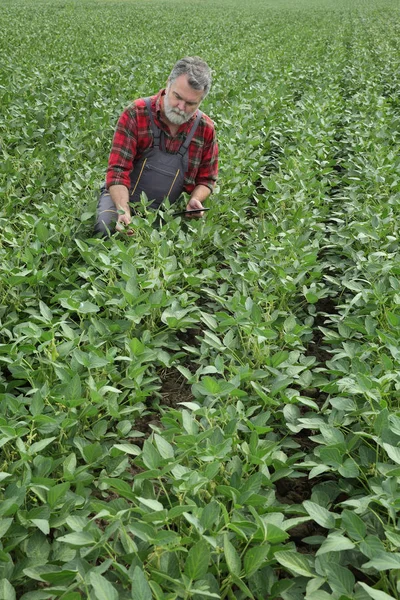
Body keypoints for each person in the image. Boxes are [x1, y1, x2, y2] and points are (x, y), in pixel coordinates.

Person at [95, 56, 218, 237]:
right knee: (106, 229)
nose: (181, 107)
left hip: (166, 211)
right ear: (168, 84)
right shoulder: (136, 113)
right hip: (122, 198)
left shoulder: (205, 129)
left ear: (201, 101)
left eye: (191, 103)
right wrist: (123, 212)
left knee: (174, 243)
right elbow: (118, 171)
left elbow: (207, 179)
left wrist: (195, 200)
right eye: (177, 97)